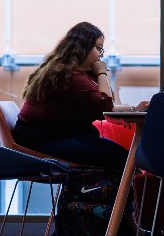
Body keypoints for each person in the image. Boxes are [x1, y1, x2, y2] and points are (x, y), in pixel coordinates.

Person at [13, 22, 148, 169]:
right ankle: (114, 192)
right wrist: (102, 72)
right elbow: (104, 105)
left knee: (119, 156)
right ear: (82, 47)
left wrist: (135, 109)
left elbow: (103, 106)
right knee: (120, 159)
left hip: (45, 135)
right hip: (42, 139)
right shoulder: (69, 76)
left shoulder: (68, 71)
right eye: (98, 48)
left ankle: (109, 192)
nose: (100, 56)